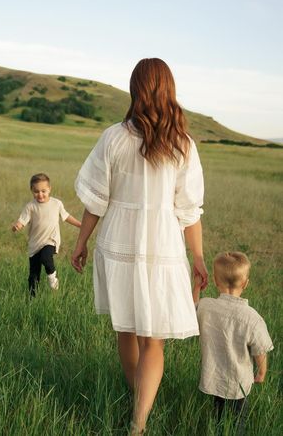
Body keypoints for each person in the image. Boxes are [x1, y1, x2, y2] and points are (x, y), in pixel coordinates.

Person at [71, 58, 208, 434]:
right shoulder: (182, 144)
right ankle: (140, 419)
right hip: (163, 245)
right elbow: (188, 210)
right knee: (154, 340)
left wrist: (81, 242)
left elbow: (96, 199)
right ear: (169, 90)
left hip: (118, 242)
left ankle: (138, 399)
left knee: (127, 330)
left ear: (135, 89)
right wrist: (197, 256)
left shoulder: (113, 137)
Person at [193, 251, 273, 434]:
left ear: (215, 280)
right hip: (239, 384)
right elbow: (260, 350)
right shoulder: (252, 318)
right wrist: (261, 371)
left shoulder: (206, 307)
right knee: (237, 424)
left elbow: (192, 308)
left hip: (214, 379)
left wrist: (197, 286)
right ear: (246, 283)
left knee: (218, 418)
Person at [12, 173, 81, 297]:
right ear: (31, 191)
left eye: (43, 191)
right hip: (35, 244)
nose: (40, 194)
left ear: (49, 189)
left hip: (51, 240)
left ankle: (53, 279)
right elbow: (22, 220)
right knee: (33, 275)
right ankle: (31, 299)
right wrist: (17, 226)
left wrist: (81, 225)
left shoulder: (57, 204)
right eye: (36, 191)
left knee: (46, 258)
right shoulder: (30, 207)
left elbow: (66, 216)